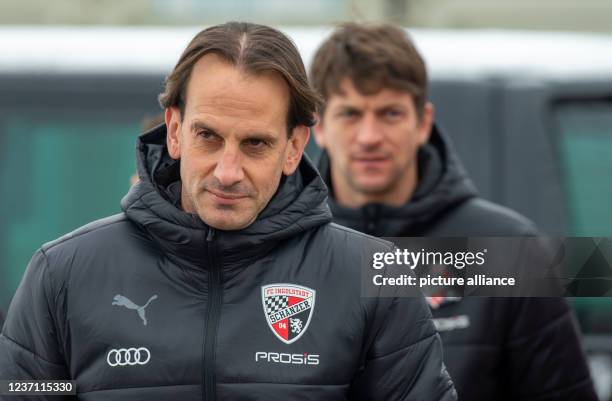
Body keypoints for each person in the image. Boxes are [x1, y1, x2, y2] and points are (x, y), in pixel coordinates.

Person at [0, 22, 456, 401]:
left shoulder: (375, 282)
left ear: (294, 147)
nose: (227, 171)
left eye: (255, 143)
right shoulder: (62, 275)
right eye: (208, 137)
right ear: (175, 131)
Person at [310, 22, 597, 401]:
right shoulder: (288, 248)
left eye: (390, 114)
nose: (369, 136)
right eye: (350, 114)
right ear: (318, 126)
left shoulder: (508, 251)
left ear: (423, 122)